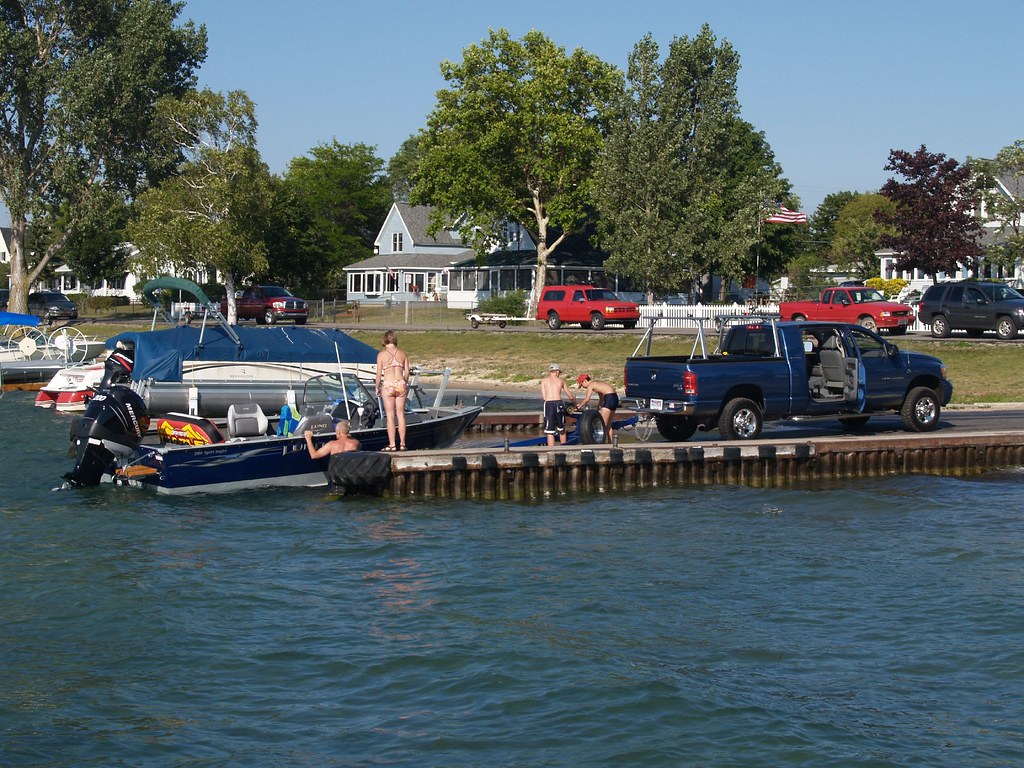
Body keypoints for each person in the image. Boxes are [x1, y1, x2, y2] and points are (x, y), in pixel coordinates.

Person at [375, 329, 411, 451]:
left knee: (390, 416)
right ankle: (402, 444)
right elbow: (407, 372)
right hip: (400, 384)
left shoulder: (381, 355)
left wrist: (376, 387)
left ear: (385, 341)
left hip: (388, 384)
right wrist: (404, 381)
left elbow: (379, 374)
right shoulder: (403, 354)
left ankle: (392, 445)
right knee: (401, 415)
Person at [576, 373, 620, 442]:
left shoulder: (591, 385)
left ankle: (600, 442)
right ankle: (611, 444)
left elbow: (587, 399)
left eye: (582, 385)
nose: (583, 387)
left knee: (602, 425)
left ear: (584, 381)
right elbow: (601, 399)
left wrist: (580, 406)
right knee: (608, 425)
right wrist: (598, 409)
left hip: (609, 398)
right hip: (615, 398)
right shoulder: (598, 384)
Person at [540, 363, 575, 446]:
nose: (559, 374)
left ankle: (551, 451)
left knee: (550, 431)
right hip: (559, 403)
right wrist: (575, 403)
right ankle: (563, 447)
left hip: (549, 404)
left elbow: (544, 397)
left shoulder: (544, 381)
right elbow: (569, 395)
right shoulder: (561, 381)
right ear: (557, 371)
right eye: (559, 372)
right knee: (561, 428)